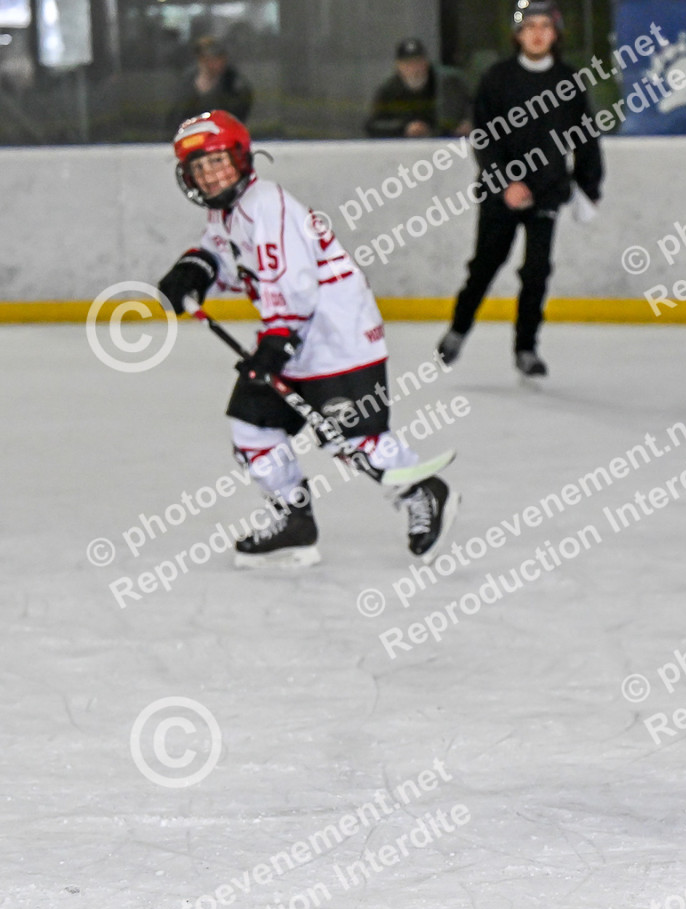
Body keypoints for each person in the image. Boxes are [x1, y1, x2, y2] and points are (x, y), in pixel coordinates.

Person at [156, 110, 459, 568]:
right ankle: (293, 520)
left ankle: (423, 492)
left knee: (351, 439)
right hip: (294, 337)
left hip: (339, 339)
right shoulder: (227, 212)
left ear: (241, 158)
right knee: (253, 427)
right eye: (200, 168)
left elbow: (294, 284)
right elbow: (223, 255)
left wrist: (275, 345)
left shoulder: (268, 205)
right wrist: (194, 270)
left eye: (217, 162)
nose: (211, 175)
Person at [436, 0, 603, 378]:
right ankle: (458, 330)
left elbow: (586, 138)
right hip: (501, 194)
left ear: (556, 33)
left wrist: (589, 187)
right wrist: (503, 183)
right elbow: (484, 137)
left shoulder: (569, 81)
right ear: (518, 34)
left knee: (537, 271)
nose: (538, 33)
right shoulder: (497, 79)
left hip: (547, 191)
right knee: (485, 264)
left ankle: (526, 348)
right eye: (530, 26)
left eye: (545, 26)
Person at [364, 37, 472, 139]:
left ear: (426, 62)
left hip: (448, 141)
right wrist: (404, 128)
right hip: (406, 146)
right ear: (398, 66)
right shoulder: (389, 90)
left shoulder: (448, 84)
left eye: (418, 62)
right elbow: (373, 125)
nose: (414, 69)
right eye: (408, 64)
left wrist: (467, 123)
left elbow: (469, 108)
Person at [166, 37, 252, 132]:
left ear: (223, 59)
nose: (208, 63)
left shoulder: (235, 85)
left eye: (214, 58)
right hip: (190, 136)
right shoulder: (187, 82)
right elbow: (176, 115)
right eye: (204, 58)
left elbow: (236, 118)